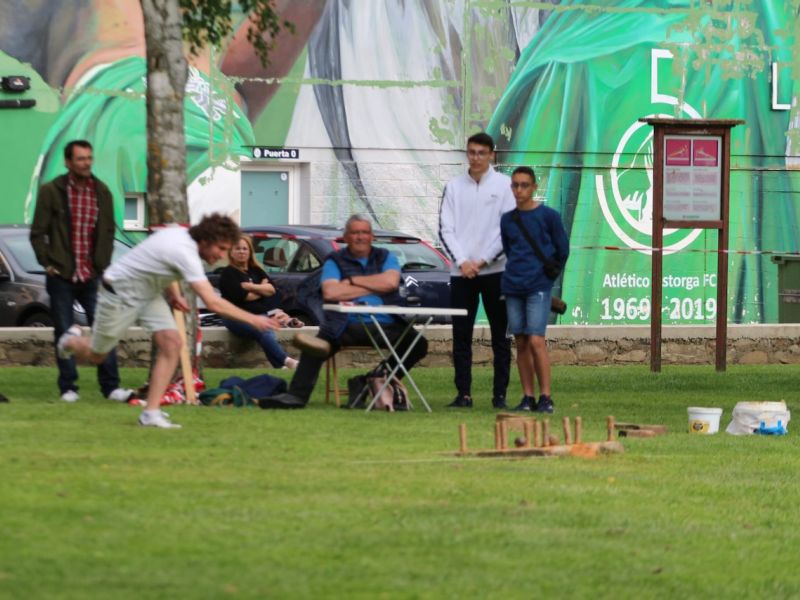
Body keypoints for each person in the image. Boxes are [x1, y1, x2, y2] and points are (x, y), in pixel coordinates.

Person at [57, 214, 280, 428]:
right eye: (221, 248)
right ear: (206, 240)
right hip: (120, 292)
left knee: (172, 343)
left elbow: (163, 263)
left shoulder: (187, 237)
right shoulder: (185, 251)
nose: (222, 255)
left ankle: (150, 413)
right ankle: (70, 340)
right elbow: (213, 303)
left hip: (149, 292)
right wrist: (254, 320)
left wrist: (173, 294)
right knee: (97, 355)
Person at [261, 214, 428, 409]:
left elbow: (390, 282)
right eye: (355, 232)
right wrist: (374, 286)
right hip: (344, 325)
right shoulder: (335, 260)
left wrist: (351, 281)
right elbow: (331, 291)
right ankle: (296, 396)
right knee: (314, 347)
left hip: (386, 324)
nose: (360, 237)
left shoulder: (386, 257)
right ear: (346, 237)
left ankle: (370, 381)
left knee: (418, 344)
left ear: (372, 236)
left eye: (364, 232)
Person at [29, 139, 134, 403]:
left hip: (92, 275)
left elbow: (107, 232)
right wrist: (47, 263)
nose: (86, 163)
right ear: (68, 162)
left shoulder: (102, 191)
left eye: (89, 158)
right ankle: (69, 388)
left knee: (105, 330)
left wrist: (103, 263)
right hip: (61, 275)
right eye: (80, 159)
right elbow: (38, 232)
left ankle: (111, 388)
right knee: (63, 331)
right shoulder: (52, 191)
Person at [439, 132, 515, 409]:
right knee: (461, 336)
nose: (476, 158)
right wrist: (463, 262)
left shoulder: (505, 185)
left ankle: (499, 396)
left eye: (482, 153)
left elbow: (508, 230)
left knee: (500, 337)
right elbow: (445, 229)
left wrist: (482, 261)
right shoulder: (453, 186)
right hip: (461, 273)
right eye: (472, 152)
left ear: (492, 155)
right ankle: (464, 394)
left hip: (496, 272)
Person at [501, 167, 569, 413]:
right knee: (520, 341)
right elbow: (509, 250)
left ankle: (546, 397)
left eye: (524, 185)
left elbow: (562, 250)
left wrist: (547, 277)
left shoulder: (549, 216)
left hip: (538, 286)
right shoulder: (507, 219)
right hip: (513, 286)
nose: (519, 190)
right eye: (515, 185)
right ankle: (528, 397)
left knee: (536, 340)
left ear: (534, 187)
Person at [218, 234, 299, 369]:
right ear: (231, 252)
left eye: (245, 249)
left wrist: (251, 287)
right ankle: (287, 361)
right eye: (238, 249)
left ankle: (281, 367)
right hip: (236, 317)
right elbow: (245, 297)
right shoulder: (228, 273)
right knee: (264, 330)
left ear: (250, 252)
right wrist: (262, 289)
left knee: (266, 331)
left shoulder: (256, 270)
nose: (241, 252)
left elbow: (272, 290)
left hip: (260, 314)